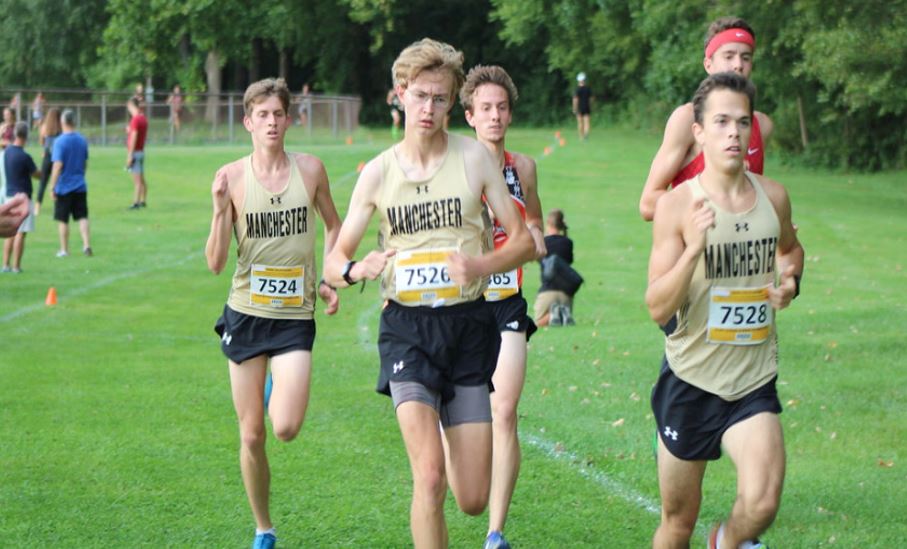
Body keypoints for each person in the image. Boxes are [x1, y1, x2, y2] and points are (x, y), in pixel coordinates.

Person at [324, 38, 534, 549]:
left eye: (441, 99)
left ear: (451, 102)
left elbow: (525, 240)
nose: (430, 108)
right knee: (430, 477)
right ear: (400, 94)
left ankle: (449, 413)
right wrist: (357, 268)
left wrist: (481, 264)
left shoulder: (475, 159)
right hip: (407, 331)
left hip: (467, 327)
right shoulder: (377, 172)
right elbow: (333, 259)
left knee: (472, 497)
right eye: (420, 96)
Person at [645, 72, 804, 549]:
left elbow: (791, 252)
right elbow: (656, 306)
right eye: (721, 122)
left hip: (752, 381)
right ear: (699, 132)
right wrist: (693, 251)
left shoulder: (772, 197)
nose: (733, 132)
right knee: (677, 521)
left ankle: (725, 543)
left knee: (761, 502)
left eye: (741, 122)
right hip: (691, 381)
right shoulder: (677, 206)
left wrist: (790, 282)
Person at [205, 77, 342, 549]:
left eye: (278, 114)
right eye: (261, 115)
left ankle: (271, 384)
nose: (271, 122)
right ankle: (264, 528)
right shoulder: (233, 177)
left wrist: (328, 277)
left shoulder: (312, 170)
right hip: (245, 314)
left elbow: (334, 227)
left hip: (294, 318)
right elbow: (215, 261)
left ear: (289, 119)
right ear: (247, 122)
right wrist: (221, 210)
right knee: (252, 435)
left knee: (283, 427)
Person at [460, 64, 546, 549]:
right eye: (485, 109)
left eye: (502, 107)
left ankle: (496, 533)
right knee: (463, 418)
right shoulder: (457, 166)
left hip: (507, 302)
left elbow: (534, 222)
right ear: (470, 115)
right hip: (462, 310)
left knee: (505, 410)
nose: (495, 116)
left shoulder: (524, 167)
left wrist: (533, 237)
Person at [639, 16, 774, 222]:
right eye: (728, 56)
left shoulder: (762, 125)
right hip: (693, 251)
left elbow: (752, 199)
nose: (738, 65)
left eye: (746, 57)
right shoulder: (686, 119)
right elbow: (648, 203)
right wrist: (711, 208)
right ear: (708, 64)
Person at [48, 109, 92, 258]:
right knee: (82, 216)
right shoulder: (82, 140)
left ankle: (64, 249)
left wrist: (52, 185)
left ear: (62, 122)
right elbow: (85, 163)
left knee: (63, 219)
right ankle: (86, 245)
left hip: (64, 187)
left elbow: (57, 165)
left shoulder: (59, 141)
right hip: (80, 185)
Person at [2, 122, 41, 272]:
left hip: (9, 196)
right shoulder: (25, 157)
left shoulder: (7, 152)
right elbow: (36, 174)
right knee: (20, 233)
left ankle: (5, 264)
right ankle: (16, 266)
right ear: (26, 136)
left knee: (9, 232)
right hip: (22, 198)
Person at [533, 209, 576, 327]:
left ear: (549, 224)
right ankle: (562, 312)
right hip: (567, 293)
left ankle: (553, 314)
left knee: (537, 325)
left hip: (547, 291)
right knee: (561, 325)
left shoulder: (543, 242)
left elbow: (536, 257)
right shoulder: (568, 243)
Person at [34, 108, 62, 216]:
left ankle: (37, 208)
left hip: (47, 158)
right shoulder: (61, 130)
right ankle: (57, 206)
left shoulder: (44, 128)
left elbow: (42, 142)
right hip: (58, 159)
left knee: (43, 183)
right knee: (57, 183)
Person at [125, 98, 149, 209]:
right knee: (141, 177)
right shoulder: (143, 118)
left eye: (129, 107)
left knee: (137, 180)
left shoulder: (135, 120)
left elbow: (134, 137)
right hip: (141, 151)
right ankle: (143, 200)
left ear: (132, 106)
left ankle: (136, 203)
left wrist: (130, 154)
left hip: (135, 152)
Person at [572, 72, 592, 141]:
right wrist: (590, 106)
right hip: (587, 107)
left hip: (579, 108)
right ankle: (586, 135)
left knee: (580, 123)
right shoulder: (588, 89)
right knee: (587, 123)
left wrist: (574, 108)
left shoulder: (577, 89)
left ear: (578, 80)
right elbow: (591, 99)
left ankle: (581, 137)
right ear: (584, 80)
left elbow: (575, 100)